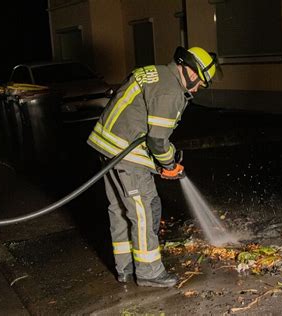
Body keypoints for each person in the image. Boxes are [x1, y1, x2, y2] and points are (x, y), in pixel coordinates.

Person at [87, 46, 218, 287]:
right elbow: (158, 140)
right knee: (143, 211)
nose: (198, 88)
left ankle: (125, 269)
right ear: (188, 70)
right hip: (125, 153)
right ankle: (149, 272)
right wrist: (169, 164)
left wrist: (160, 164)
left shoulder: (156, 73)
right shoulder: (171, 91)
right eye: (200, 81)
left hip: (108, 146)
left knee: (119, 209)